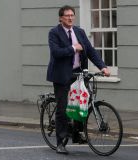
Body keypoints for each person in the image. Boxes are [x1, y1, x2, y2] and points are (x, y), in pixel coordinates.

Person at [46, 5, 110, 154]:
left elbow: (91, 51)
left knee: (83, 104)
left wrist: (103, 67)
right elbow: (56, 52)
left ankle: (77, 134)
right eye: (67, 15)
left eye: (72, 15)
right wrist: (74, 48)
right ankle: (60, 143)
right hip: (62, 76)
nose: (70, 18)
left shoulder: (79, 32)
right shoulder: (54, 33)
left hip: (79, 74)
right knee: (63, 109)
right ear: (61, 18)